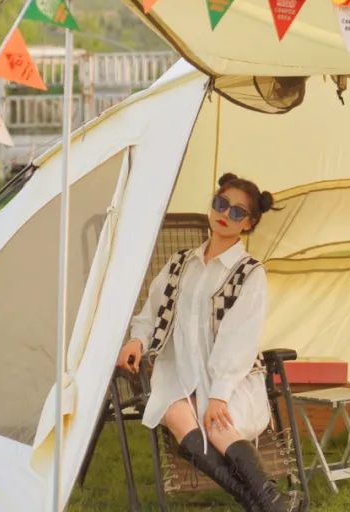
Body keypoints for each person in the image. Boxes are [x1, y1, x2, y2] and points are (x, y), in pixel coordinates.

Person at [116, 173, 296, 512]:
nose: (225, 214)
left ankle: (266, 502)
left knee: (217, 425)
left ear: (248, 224)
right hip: (179, 373)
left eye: (238, 212)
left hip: (231, 378)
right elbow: (150, 313)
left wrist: (219, 394)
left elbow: (239, 340)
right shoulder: (180, 264)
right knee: (175, 412)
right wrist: (137, 341)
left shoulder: (249, 272)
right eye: (221, 203)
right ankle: (266, 503)